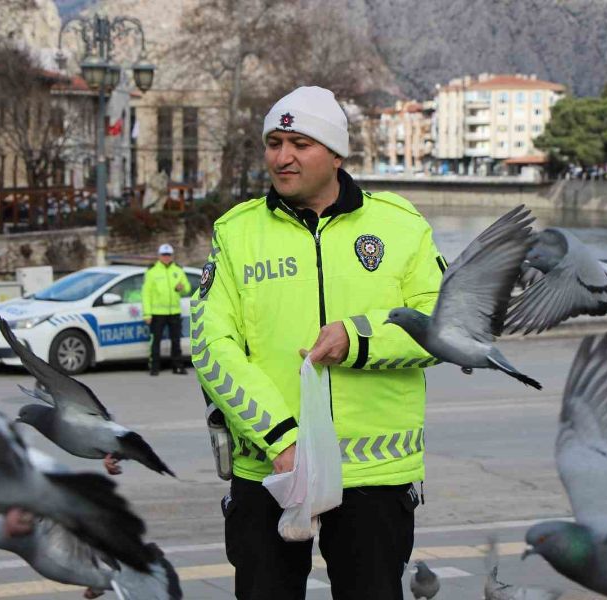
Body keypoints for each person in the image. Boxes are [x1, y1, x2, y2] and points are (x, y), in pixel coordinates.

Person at [190, 86, 447, 600]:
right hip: (271, 470)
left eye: (300, 144)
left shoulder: (401, 226)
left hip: (374, 474)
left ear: (336, 154)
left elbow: (444, 327)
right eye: (274, 143)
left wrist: (358, 339)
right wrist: (280, 439)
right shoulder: (236, 233)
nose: (282, 157)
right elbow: (211, 346)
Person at [142, 243, 191, 376]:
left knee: (176, 340)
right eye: (164, 255)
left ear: (172, 256)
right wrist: (147, 313)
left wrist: (182, 288)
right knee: (155, 341)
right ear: (159, 256)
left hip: (174, 311)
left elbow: (187, 288)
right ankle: (154, 367)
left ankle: (177, 366)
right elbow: (146, 294)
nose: (166, 257)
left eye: (168, 255)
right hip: (157, 313)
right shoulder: (152, 271)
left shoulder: (178, 270)